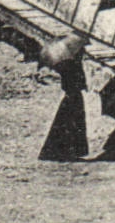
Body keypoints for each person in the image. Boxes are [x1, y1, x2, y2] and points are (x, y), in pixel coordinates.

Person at [37, 34, 90, 162]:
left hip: (70, 96)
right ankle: (68, 152)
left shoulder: (64, 62)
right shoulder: (71, 63)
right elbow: (77, 80)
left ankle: (61, 151)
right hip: (74, 96)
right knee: (71, 123)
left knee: (66, 123)